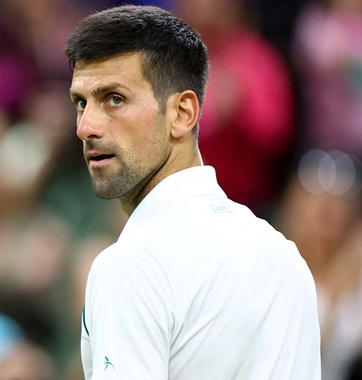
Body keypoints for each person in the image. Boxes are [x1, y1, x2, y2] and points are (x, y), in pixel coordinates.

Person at [66, 5, 321, 379]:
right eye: (81, 103)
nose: (86, 127)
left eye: (114, 99)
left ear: (183, 114)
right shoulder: (285, 257)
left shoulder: (130, 266)